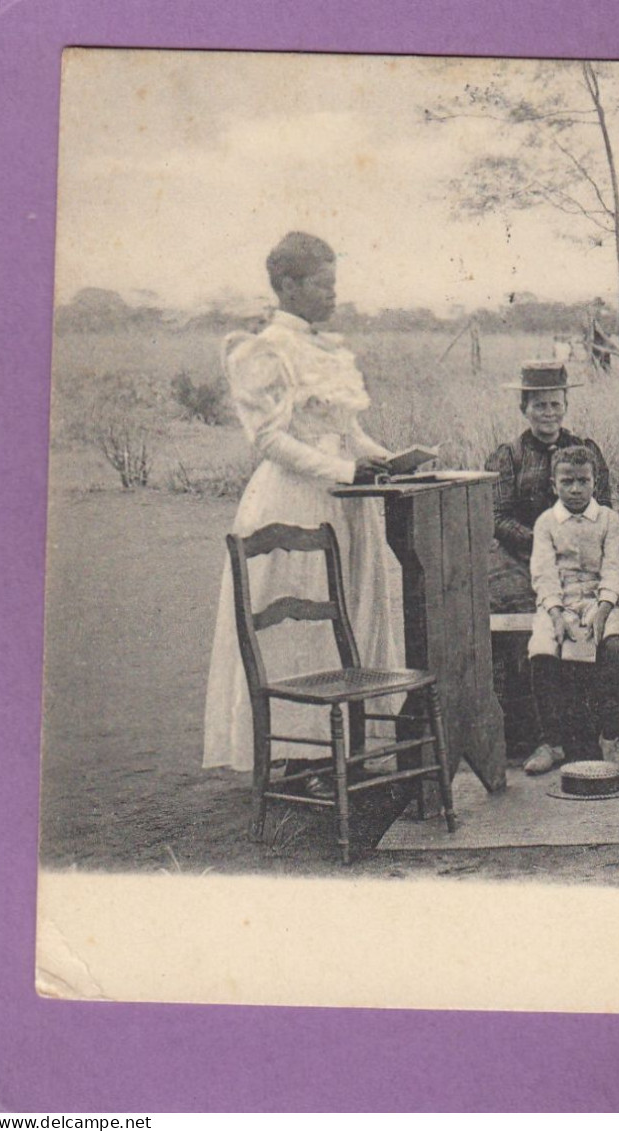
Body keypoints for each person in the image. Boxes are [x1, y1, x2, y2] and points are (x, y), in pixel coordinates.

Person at [202, 232, 405, 795]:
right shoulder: (262, 349)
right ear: (287, 285)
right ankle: (301, 758)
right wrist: (342, 472)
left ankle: (347, 750)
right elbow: (268, 439)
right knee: (303, 630)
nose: (331, 294)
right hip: (295, 500)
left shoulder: (327, 350)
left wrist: (387, 460)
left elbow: (348, 431)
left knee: (354, 615)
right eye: (321, 283)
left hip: (349, 505)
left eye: (334, 283)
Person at [485, 362, 611, 761]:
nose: (549, 413)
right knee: (527, 624)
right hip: (521, 556)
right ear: (525, 408)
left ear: (565, 405)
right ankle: (540, 735)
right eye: (539, 405)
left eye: (555, 404)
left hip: (582, 554)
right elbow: (498, 517)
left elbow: (603, 508)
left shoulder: (585, 450)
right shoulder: (509, 456)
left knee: (591, 619)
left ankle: (590, 731)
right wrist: (541, 544)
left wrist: (576, 545)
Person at [525, 446, 619, 772]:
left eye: (583, 481)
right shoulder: (546, 522)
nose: (575, 489)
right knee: (542, 653)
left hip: (600, 599)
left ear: (594, 483)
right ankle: (552, 742)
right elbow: (544, 574)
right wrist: (557, 615)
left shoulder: (609, 520)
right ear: (553, 484)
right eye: (567, 481)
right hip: (559, 603)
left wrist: (603, 608)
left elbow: (614, 567)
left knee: (616, 648)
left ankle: (611, 737)